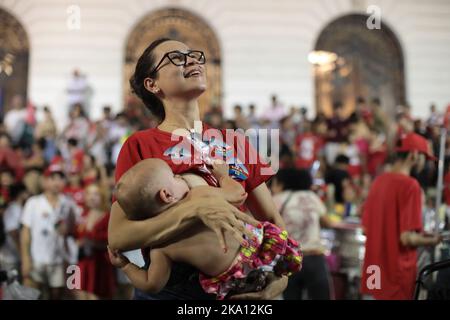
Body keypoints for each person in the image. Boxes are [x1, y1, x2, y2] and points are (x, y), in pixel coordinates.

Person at [108, 38, 289, 300]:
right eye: (177, 58)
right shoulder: (140, 144)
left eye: (193, 55)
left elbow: (271, 217)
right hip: (170, 285)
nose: (192, 60)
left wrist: (281, 276)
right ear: (152, 84)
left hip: (237, 285)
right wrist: (194, 209)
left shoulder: (236, 141)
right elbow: (119, 235)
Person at [109, 159, 301, 300]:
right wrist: (223, 175)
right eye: (174, 176)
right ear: (167, 194)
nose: (180, 176)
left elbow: (152, 284)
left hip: (236, 281)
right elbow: (237, 194)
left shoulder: (160, 248)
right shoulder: (199, 195)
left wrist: (126, 266)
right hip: (259, 248)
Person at [361, 132, 442, 300]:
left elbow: (366, 229)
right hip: (395, 276)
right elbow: (406, 238)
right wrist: (433, 240)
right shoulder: (410, 186)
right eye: (423, 157)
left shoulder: (378, 182)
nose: (424, 163)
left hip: (373, 272)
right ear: (413, 155)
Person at [271, 168, 334, 300]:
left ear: (281, 183)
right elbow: (328, 222)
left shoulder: (277, 200)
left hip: (290, 260)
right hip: (315, 257)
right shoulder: (312, 197)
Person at [20, 163, 79, 299]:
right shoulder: (33, 203)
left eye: (60, 178)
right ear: (45, 181)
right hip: (37, 259)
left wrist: (68, 229)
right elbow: (25, 233)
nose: (56, 182)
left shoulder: (68, 203)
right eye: (52, 178)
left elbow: (71, 230)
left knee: (56, 294)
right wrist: (25, 258)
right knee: (33, 294)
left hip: (58, 259)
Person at [75, 184, 115, 299]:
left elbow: (111, 240)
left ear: (102, 197)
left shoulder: (108, 216)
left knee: (96, 295)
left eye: (95, 194)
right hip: (81, 262)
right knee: (79, 294)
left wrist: (92, 243)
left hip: (100, 263)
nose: (91, 197)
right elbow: (75, 235)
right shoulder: (82, 215)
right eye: (88, 194)